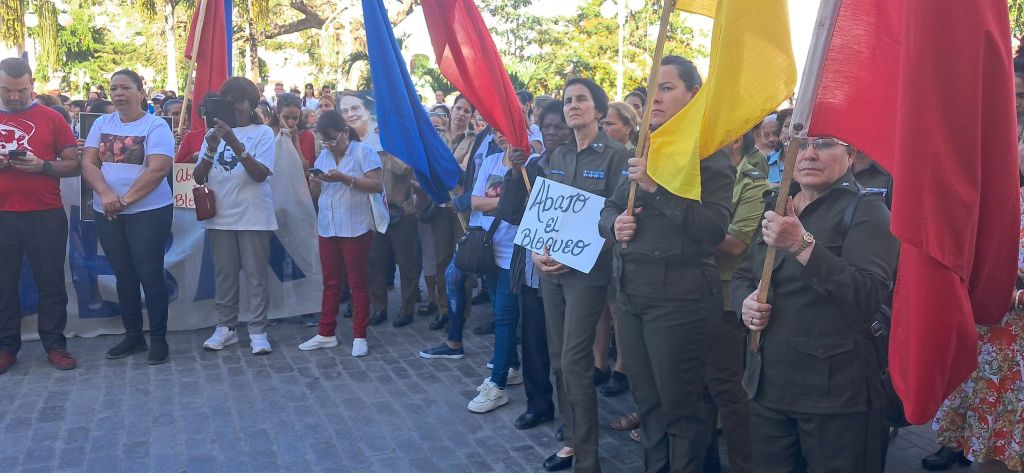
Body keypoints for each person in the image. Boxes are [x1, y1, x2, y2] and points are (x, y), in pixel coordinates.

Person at [600, 56, 736, 472]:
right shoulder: (646, 147)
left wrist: (656, 188)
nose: (655, 96)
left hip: (680, 300)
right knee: (649, 405)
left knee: (683, 411)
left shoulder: (708, 155)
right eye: (652, 87)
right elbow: (607, 209)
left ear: (693, 95)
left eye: (668, 87)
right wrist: (615, 224)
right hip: (632, 295)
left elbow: (712, 229)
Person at [730, 136, 898, 472]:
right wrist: (744, 304)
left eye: (824, 144)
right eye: (801, 144)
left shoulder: (868, 210)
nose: (809, 154)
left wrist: (802, 245)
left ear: (850, 154)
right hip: (767, 384)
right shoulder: (777, 204)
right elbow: (744, 276)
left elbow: (867, 293)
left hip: (835, 395)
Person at [526, 78, 630, 473]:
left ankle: (588, 459)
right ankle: (571, 442)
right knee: (557, 358)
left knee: (575, 362)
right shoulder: (559, 155)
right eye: (568, 100)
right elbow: (544, 211)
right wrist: (537, 248)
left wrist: (576, 255)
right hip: (550, 270)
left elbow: (618, 219)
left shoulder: (617, 156)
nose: (573, 106)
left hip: (587, 274)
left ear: (599, 110)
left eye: (581, 99)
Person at [926, 72, 1024, 473]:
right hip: (988, 335)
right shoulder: (1004, 199)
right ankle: (964, 452)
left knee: (1007, 434)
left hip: (1017, 342)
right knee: (982, 428)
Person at [80, 69, 176, 365]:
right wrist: (106, 195)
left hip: (148, 212)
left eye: (125, 88)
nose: (119, 94)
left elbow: (158, 169)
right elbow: (88, 162)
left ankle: (158, 339)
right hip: (107, 210)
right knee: (124, 275)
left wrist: (124, 200)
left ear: (140, 91)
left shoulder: (156, 126)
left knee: (150, 274)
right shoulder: (102, 123)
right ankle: (133, 335)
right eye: (114, 88)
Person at [495, 99, 573, 432]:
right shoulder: (532, 166)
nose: (553, 132)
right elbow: (510, 213)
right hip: (531, 269)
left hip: (568, 272)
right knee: (533, 344)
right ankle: (538, 404)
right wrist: (515, 173)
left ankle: (572, 416)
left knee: (567, 351)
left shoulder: (578, 167)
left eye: (559, 126)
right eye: (548, 126)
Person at [0, 58, 81, 374]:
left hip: (45, 213)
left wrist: (43, 166)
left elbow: (74, 164)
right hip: (3, 215)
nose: (15, 96)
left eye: (21, 90)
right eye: (7, 90)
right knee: (3, 284)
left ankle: (56, 345)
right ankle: (6, 347)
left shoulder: (52, 117)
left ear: (32, 85)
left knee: (50, 283)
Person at [192, 77, 278, 355]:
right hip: (221, 216)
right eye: (229, 100)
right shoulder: (212, 134)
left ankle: (258, 330)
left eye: (240, 100)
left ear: (251, 103)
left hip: (253, 215)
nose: (235, 106)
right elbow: (197, 176)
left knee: (256, 276)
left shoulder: (262, 133)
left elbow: (260, 174)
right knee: (224, 275)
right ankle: (225, 328)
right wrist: (212, 147)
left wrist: (234, 140)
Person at [702, 132, 771, 473]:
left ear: (734, 140)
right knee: (697, 388)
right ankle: (706, 460)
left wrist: (682, 228)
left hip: (727, 300)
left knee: (727, 389)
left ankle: (745, 464)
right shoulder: (693, 174)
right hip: (689, 294)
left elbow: (734, 245)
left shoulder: (754, 184)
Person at [297, 110, 383, 357]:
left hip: (355, 226)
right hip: (328, 225)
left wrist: (345, 178)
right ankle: (326, 333)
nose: (330, 146)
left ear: (345, 132)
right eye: (325, 141)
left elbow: (376, 185)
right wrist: (315, 184)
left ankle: (360, 335)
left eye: (333, 140)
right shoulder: (324, 157)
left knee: (357, 282)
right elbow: (318, 194)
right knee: (330, 282)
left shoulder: (363, 151)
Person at [464, 130, 522, 413]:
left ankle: (497, 384)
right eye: (496, 129)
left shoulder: (530, 162)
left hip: (514, 253)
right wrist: (506, 202)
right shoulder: (491, 161)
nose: (502, 135)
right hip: (489, 249)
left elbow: (522, 208)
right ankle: (512, 366)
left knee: (504, 316)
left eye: (506, 127)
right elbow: (475, 202)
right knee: (500, 311)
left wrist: (501, 202)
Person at [366, 148, 419, 328]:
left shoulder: (399, 146)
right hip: (376, 210)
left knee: (405, 263)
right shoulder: (370, 147)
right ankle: (379, 307)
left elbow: (404, 169)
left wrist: (388, 150)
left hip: (402, 211)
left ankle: (407, 308)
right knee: (375, 261)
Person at [269, 93, 316, 166]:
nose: (290, 123)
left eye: (295, 118)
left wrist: (295, 140)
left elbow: (304, 167)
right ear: (278, 114)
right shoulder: (268, 133)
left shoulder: (306, 135)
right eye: (286, 118)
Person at [174, 93, 219, 164]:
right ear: (202, 112)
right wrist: (193, 157)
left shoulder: (230, 137)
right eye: (209, 110)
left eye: (217, 110)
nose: (213, 114)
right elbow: (179, 165)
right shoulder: (191, 137)